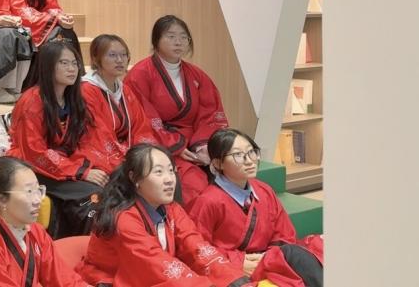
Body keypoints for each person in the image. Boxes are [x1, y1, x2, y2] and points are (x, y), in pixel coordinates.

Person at [78, 144, 248, 287]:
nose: (170, 179)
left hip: (151, 273)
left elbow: (195, 246)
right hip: (113, 280)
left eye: (171, 171)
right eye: (159, 172)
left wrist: (235, 280)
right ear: (135, 178)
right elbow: (153, 261)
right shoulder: (123, 218)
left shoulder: (172, 209)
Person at [189, 129, 323, 286]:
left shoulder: (264, 190)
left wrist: (269, 257)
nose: (249, 160)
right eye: (238, 155)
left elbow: (284, 234)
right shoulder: (207, 201)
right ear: (218, 163)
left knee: (311, 248)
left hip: (269, 260)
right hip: (232, 269)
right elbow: (197, 250)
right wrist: (238, 261)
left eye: (251, 152)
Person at [7, 41, 113, 238]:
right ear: (48, 66)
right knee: (93, 198)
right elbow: (34, 152)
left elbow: (89, 140)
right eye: (64, 63)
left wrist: (93, 167)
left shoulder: (74, 99)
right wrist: (81, 172)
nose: (72, 69)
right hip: (33, 167)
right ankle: (80, 249)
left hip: (65, 164)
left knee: (114, 185)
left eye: (74, 63)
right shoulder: (31, 101)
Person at [125, 16, 229, 205]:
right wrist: (177, 147)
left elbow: (210, 112)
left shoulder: (197, 74)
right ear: (156, 40)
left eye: (183, 37)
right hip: (161, 144)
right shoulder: (140, 74)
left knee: (233, 169)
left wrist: (203, 145)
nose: (178, 42)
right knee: (194, 185)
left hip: (196, 143)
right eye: (171, 36)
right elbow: (142, 118)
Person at [0, 156, 90, 287]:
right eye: (29, 191)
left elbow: (66, 281)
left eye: (38, 190)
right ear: (1, 200)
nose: (38, 200)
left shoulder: (36, 232)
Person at [81, 34, 157, 161]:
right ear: (95, 59)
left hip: (127, 151)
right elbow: (97, 134)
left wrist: (140, 154)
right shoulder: (86, 90)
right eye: (112, 55)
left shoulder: (125, 90)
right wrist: (127, 157)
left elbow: (141, 126)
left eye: (124, 54)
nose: (120, 60)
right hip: (101, 155)